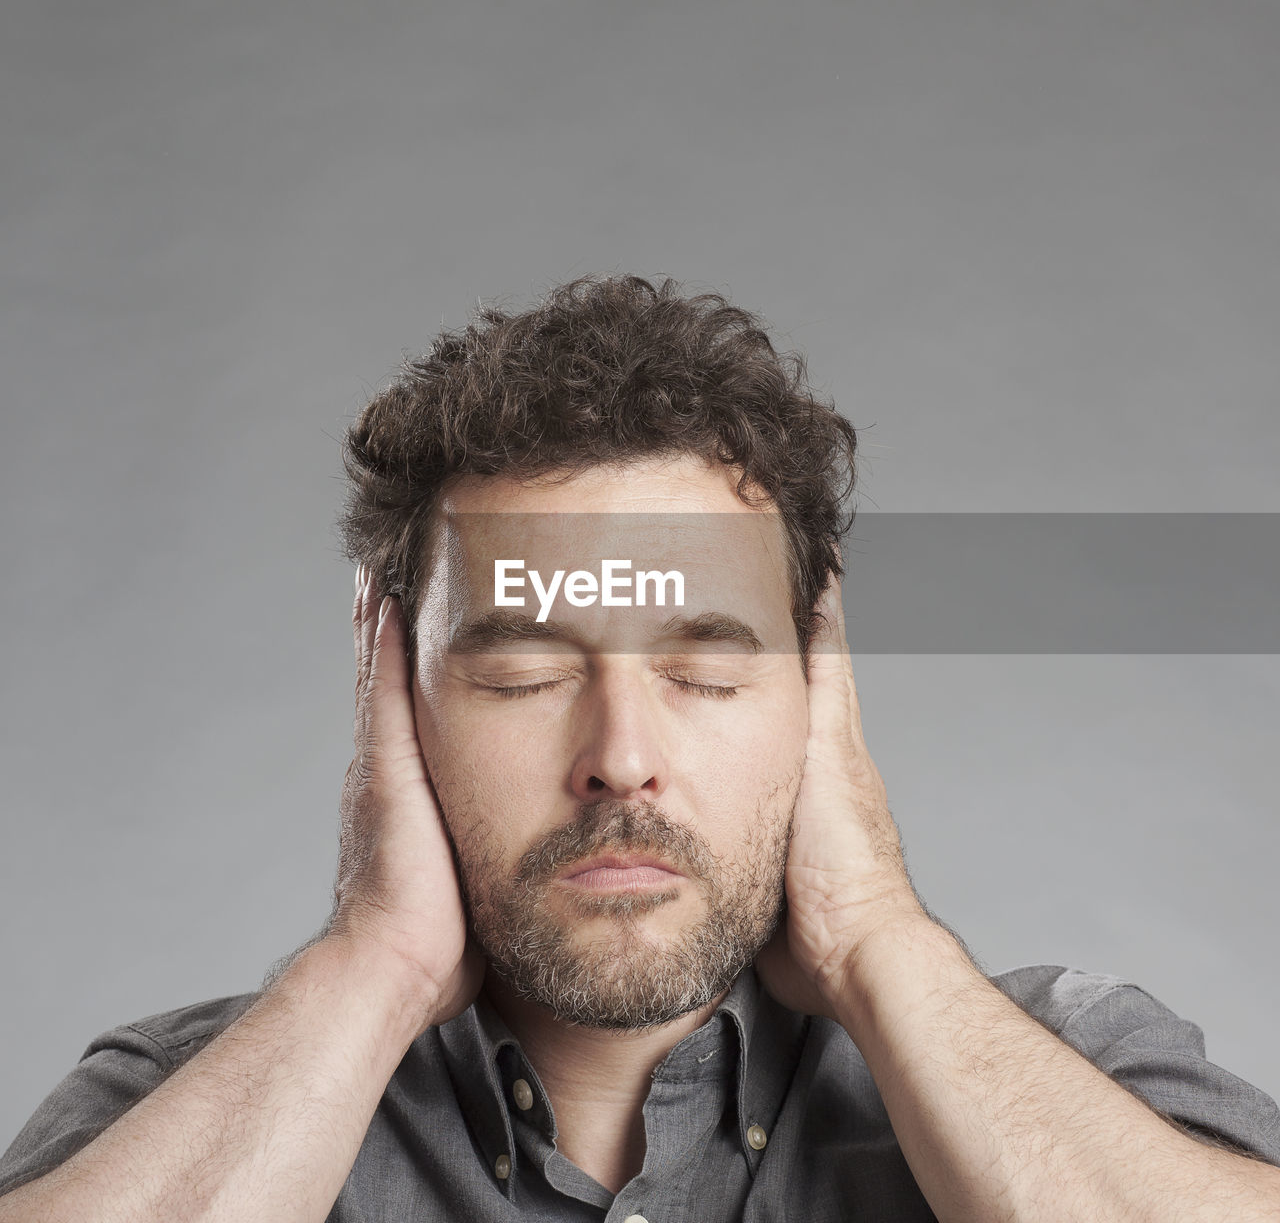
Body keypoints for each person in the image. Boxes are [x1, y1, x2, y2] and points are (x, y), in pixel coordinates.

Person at [2, 275, 1278, 1222]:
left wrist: (874, 938)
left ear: (817, 685)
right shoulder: (176, 1107)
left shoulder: (1078, 1070)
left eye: (703, 667)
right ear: (390, 691)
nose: (621, 754)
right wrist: (371, 966)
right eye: (524, 669)